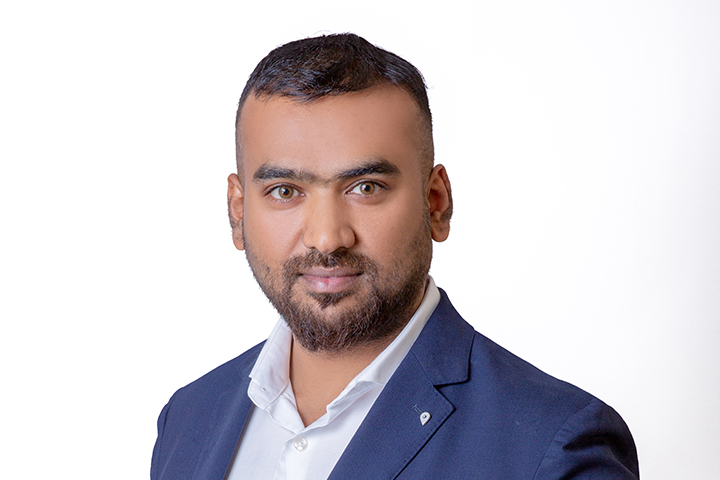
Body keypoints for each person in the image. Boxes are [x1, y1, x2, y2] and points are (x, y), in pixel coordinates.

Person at [151, 33, 639, 479]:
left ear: (436, 204)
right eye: (285, 191)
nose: (327, 238)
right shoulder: (188, 419)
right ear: (238, 212)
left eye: (365, 187)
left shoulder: (553, 447)